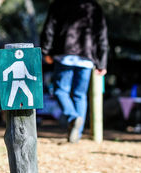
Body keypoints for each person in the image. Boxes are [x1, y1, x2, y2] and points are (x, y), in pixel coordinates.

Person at [40, 0, 109, 143]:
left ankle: (72, 117)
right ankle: (76, 134)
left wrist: (46, 50)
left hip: (64, 54)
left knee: (60, 90)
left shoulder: (59, 4)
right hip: (86, 57)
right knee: (80, 95)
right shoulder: (94, 6)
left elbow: (49, 28)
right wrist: (101, 62)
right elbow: (101, 35)